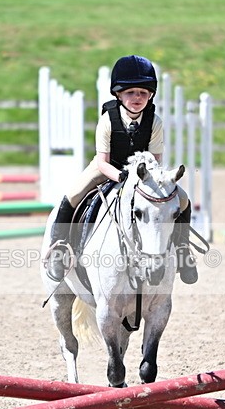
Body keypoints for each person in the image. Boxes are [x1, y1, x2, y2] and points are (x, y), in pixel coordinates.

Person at [45, 54, 198, 284]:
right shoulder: (108, 120)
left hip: (143, 173)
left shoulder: (154, 122)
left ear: (150, 95)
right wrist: (120, 176)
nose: (137, 98)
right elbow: (101, 161)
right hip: (109, 167)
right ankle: (58, 248)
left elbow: (155, 163)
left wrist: (144, 179)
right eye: (131, 93)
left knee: (183, 199)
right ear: (118, 94)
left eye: (143, 93)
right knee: (73, 195)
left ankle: (183, 248)